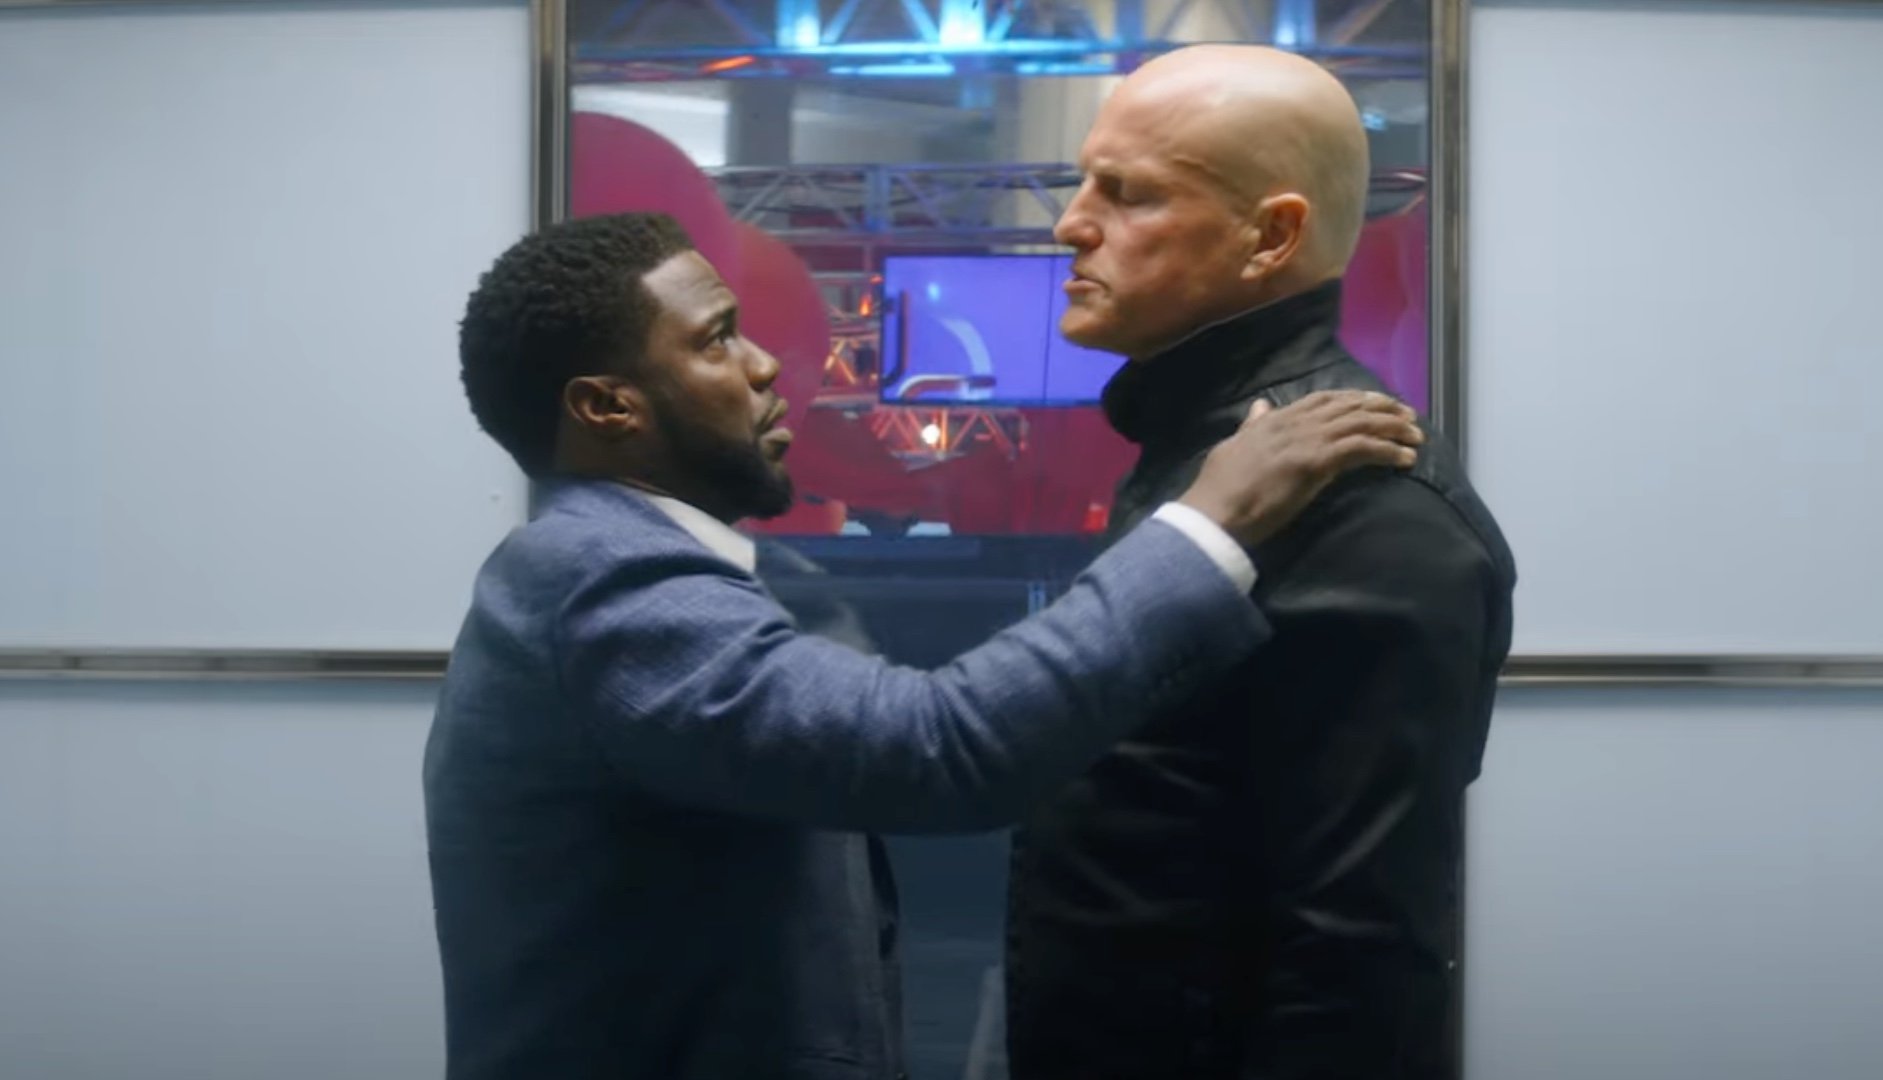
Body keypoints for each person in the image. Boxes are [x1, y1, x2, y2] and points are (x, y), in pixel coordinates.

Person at [423, 210, 1426, 1080]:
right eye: (717, 339)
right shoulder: (605, 589)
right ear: (608, 407)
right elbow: (935, 748)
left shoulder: (654, 572)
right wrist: (1212, 521)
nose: (765, 364)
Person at [1003, 45, 1518, 1080]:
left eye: (1128, 194)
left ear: (1271, 236)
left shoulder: (1357, 503)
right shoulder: (1214, 459)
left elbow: (1356, 959)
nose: (1070, 224)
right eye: (1082, 183)